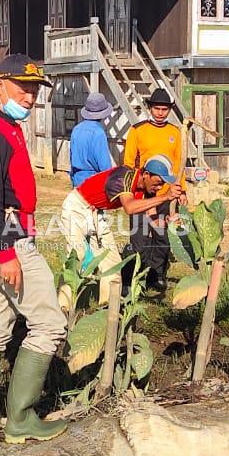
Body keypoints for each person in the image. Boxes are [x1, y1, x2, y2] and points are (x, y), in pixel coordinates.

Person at [0, 54, 65, 443]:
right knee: (49, 324)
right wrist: (6, 253)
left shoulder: (3, 124)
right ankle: (21, 419)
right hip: (2, 237)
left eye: (36, 89)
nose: (31, 96)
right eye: (24, 87)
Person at [57, 158, 184, 311]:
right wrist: (165, 197)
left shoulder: (147, 189)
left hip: (94, 212)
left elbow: (154, 221)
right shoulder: (124, 176)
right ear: (146, 174)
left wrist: (169, 222)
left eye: (163, 184)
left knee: (113, 263)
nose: (159, 187)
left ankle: (106, 307)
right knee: (78, 256)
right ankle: (63, 307)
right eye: (158, 182)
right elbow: (129, 208)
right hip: (76, 207)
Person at [122, 89, 184, 294]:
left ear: (169, 110)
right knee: (138, 237)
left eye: (164, 109)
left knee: (163, 236)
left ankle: (157, 275)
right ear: (150, 108)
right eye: (156, 108)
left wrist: (181, 190)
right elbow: (129, 164)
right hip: (142, 195)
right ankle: (133, 277)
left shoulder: (175, 132)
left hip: (166, 193)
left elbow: (178, 164)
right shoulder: (137, 130)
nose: (160, 113)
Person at [69, 92, 114, 188]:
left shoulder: (76, 129)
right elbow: (104, 165)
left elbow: (71, 155)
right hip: (94, 181)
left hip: (77, 178)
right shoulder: (98, 133)